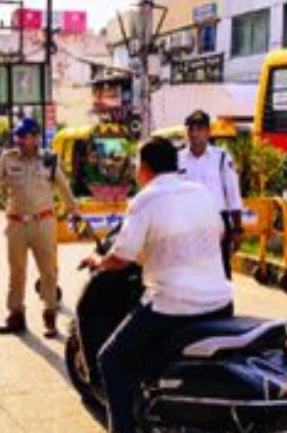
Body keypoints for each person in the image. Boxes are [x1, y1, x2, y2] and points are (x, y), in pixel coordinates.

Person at [80, 137, 234, 433]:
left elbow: (121, 257)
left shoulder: (146, 199)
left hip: (172, 307)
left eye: (137, 164)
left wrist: (98, 261)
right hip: (220, 303)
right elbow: (218, 232)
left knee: (110, 360)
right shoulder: (201, 192)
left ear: (144, 167)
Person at [0, 118, 79, 338]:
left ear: (35, 137)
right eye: (17, 136)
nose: (19, 140)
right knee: (17, 271)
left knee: (48, 271)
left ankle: (49, 314)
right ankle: (16, 315)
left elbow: (64, 187)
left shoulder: (49, 160)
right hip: (16, 224)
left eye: (23, 136)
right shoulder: (8, 158)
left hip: (43, 223)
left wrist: (74, 212)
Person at [178, 110, 244, 279]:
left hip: (216, 221)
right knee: (188, 272)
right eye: (190, 129)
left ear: (208, 132)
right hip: (187, 221)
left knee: (220, 271)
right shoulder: (177, 159)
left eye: (199, 129)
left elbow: (233, 194)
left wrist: (237, 229)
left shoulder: (221, 157)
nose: (194, 134)